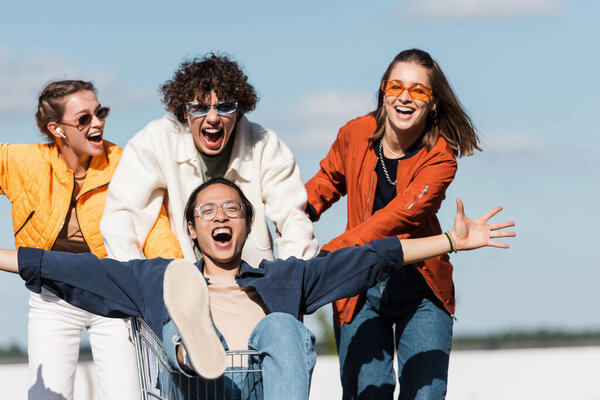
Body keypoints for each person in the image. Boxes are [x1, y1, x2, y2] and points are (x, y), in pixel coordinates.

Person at [0, 177, 515, 400]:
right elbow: (64, 268)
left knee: (282, 328)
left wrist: (449, 240)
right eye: (207, 211)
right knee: (180, 320)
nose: (220, 217)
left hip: (264, 389)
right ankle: (193, 340)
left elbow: (371, 259)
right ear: (193, 231)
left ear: (246, 228)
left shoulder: (285, 276)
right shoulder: (156, 276)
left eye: (232, 210)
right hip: (196, 387)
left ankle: (197, 337)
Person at [305, 48, 481, 399]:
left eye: (418, 90)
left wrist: (331, 255)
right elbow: (325, 182)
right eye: (396, 86)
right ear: (383, 92)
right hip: (359, 288)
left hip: (420, 286)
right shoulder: (355, 134)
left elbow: (399, 217)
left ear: (433, 103)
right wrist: (286, 215)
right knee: (366, 393)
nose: (404, 96)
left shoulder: (440, 157)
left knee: (425, 395)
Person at [0, 80, 178, 399]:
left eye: (100, 112)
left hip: (111, 294)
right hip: (52, 295)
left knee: (126, 395)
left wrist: (175, 275)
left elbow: (153, 224)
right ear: (57, 129)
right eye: (84, 118)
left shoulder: (124, 163)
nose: (97, 123)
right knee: (46, 395)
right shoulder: (23, 163)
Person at [100, 53, 318, 266]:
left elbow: (294, 219)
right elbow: (122, 217)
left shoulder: (265, 144)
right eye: (199, 108)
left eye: (224, 107)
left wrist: (289, 282)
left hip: (253, 288)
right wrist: (136, 282)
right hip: (184, 288)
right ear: (185, 113)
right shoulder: (153, 141)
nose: (213, 118)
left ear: (238, 111)